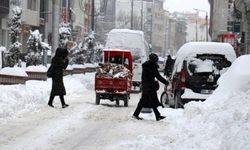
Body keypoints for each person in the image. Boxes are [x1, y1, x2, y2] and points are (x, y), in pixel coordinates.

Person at [133, 53, 169, 121]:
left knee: (150, 101)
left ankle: (157, 116)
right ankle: (136, 114)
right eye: (156, 60)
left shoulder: (147, 65)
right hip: (149, 87)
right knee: (147, 101)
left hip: (147, 86)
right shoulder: (152, 67)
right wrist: (166, 82)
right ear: (154, 60)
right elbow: (158, 76)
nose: (156, 61)